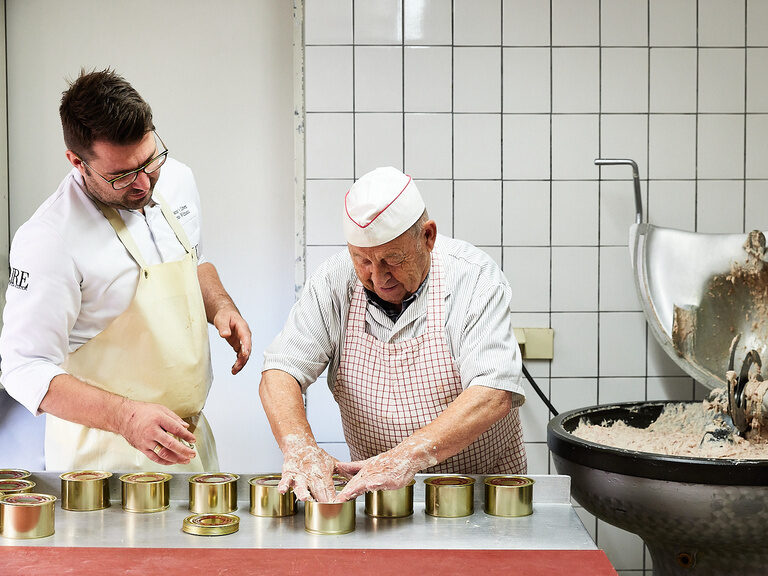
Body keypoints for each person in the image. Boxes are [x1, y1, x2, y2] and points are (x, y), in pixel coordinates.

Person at [0, 69, 251, 472]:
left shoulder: (177, 179)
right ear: (77, 161)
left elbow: (194, 262)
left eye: (149, 161)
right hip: (103, 458)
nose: (142, 185)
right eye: (120, 176)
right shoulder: (48, 238)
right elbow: (23, 367)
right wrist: (125, 418)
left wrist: (221, 306)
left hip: (188, 441)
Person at [260, 166, 525, 503]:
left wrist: (405, 458)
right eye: (363, 260)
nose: (378, 276)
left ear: (427, 237)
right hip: (379, 499)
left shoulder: (473, 278)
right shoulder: (334, 281)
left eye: (392, 259)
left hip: (483, 495)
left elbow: (494, 391)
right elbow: (280, 372)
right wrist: (299, 446)